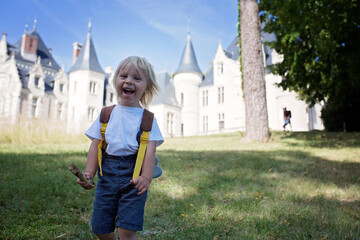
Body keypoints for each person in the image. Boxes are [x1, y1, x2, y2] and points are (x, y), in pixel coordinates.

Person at [77, 56, 164, 240]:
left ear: (146, 87)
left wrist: (146, 178)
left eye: (137, 78)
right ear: (116, 81)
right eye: (123, 76)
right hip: (106, 177)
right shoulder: (106, 114)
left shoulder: (147, 119)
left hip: (134, 179)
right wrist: (88, 173)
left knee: (126, 229)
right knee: (100, 228)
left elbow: (150, 152)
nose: (128, 81)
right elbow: (95, 146)